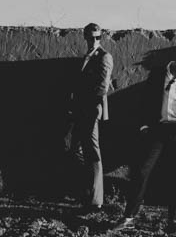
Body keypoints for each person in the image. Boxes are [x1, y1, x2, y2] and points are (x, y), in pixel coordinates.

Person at [113, 43, 176, 233]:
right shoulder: (158, 74)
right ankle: (129, 215)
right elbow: (145, 100)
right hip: (158, 129)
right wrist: (144, 124)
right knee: (142, 171)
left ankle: (173, 220)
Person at [69, 22, 113, 211]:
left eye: (98, 37)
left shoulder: (104, 56)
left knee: (93, 154)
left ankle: (96, 201)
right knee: (78, 150)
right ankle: (87, 194)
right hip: (80, 110)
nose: (94, 41)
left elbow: (102, 86)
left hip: (91, 110)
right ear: (85, 37)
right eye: (91, 37)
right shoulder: (86, 57)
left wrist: (92, 108)